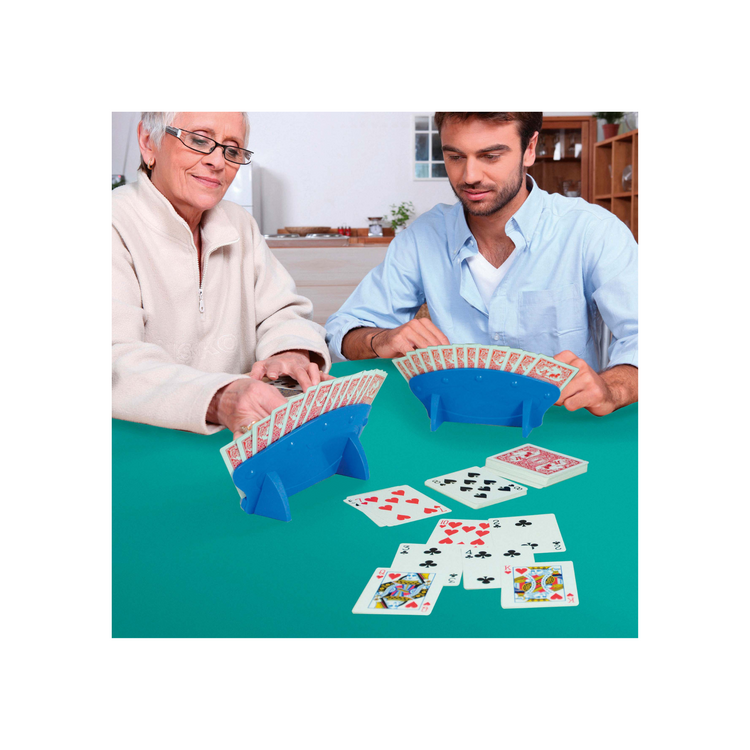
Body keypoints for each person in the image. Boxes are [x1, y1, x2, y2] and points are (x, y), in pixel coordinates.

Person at [325, 112, 637, 416]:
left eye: (490, 156)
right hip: (452, 426)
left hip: (564, 424)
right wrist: (380, 339)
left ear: (529, 149)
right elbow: (342, 331)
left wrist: (612, 388)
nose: (469, 176)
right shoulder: (423, 237)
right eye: (455, 156)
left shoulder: (593, 231)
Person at [113, 112, 332, 437]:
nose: (218, 162)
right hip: (133, 445)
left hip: (242, 436)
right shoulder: (111, 222)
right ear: (148, 142)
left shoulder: (240, 223)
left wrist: (289, 351)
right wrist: (219, 398)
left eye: (232, 149)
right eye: (199, 140)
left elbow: (282, 312)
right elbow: (112, 358)